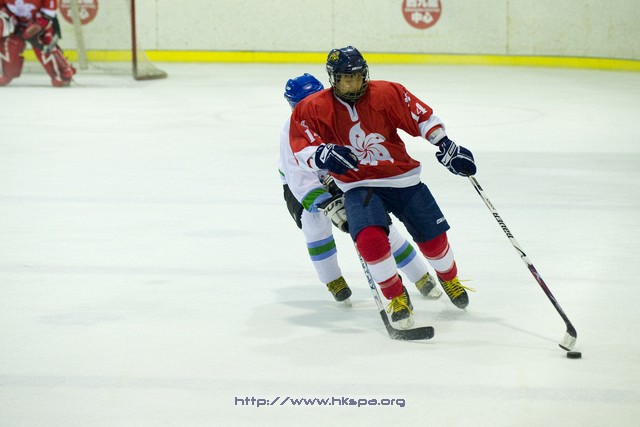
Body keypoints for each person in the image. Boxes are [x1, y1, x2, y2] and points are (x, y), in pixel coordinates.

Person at [289, 46, 477, 328]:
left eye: (357, 76)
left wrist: (445, 143)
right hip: (358, 185)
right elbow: (301, 146)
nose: (353, 83)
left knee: (434, 240)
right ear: (333, 78)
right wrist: (322, 154)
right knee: (369, 240)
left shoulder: (388, 92)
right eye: (346, 78)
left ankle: (449, 277)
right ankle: (396, 297)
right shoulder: (313, 107)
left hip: (403, 178)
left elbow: (420, 116)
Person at [279, 73, 441, 305]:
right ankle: (333, 279)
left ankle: (420, 274)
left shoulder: (337, 112)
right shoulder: (291, 131)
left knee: (376, 226)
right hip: (305, 187)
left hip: (343, 178)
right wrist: (326, 203)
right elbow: (299, 177)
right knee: (314, 224)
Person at [0, 0, 75, 87]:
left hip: (39, 26)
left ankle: (63, 70)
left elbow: (49, 14)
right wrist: (5, 18)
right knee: (9, 44)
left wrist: (38, 25)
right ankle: (7, 74)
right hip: (16, 27)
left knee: (45, 43)